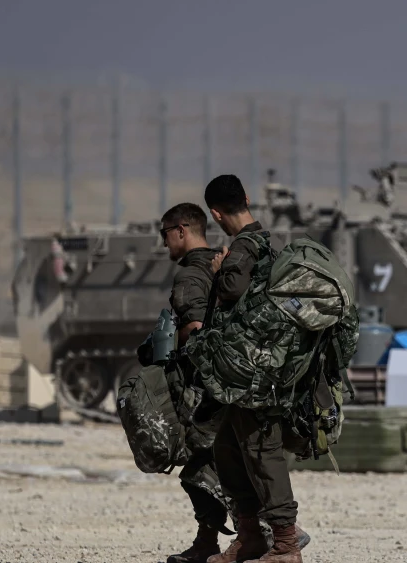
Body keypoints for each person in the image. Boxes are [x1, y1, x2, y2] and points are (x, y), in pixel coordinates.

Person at [203, 175, 306, 563]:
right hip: (256, 369)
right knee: (228, 447)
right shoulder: (270, 243)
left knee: (262, 451)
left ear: (215, 214)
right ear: (246, 198)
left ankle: (286, 544)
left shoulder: (244, 248)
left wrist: (219, 271)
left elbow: (231, 292)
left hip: (254, 374)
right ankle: (250, 537)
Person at [158, 202, 231, 563]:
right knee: (213, 462)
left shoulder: (189, 275)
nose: (164, 243)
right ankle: (207, 541)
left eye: (165, 234)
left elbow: (196, 328)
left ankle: (273, 532)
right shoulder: (221, 266)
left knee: (203, 465)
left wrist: (175, 348)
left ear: (182, 231)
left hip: (206, 387)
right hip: (231, 381)